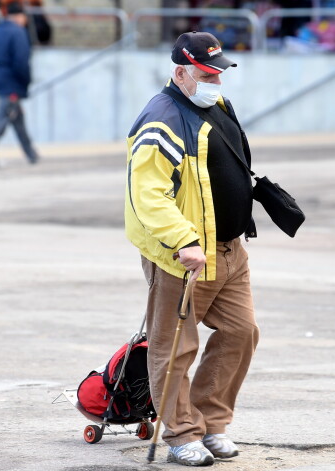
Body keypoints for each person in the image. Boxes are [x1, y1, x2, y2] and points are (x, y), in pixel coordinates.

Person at [124, 31, 259, 466]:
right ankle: (182, 434)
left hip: (229, 248)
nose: (215, 82)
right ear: (181, 72)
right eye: (206, 74)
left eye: (219, 74)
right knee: (175, 346)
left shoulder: (215, 104)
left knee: (242, 331)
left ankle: (210, 420)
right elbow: (148, 195)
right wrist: (184, 241)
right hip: (184, 256)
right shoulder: (160, 118)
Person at [0, 2, 39, 168]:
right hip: (12, 83)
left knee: (17, 119)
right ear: (20, 17)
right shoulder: (18, 33)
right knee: (2, 118)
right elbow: (21, 62)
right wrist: (26, 82)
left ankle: (31, 154)